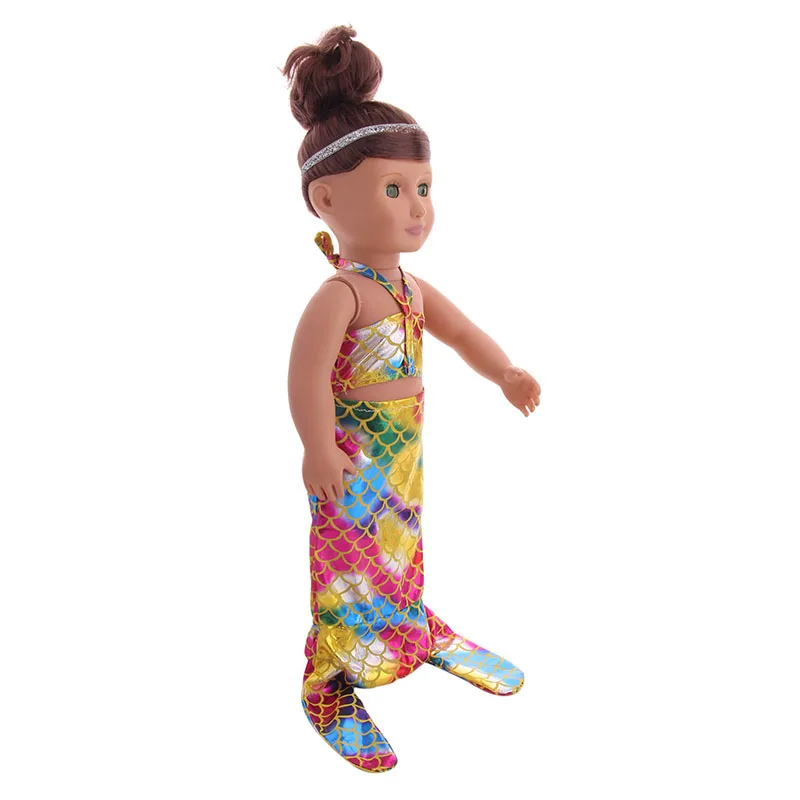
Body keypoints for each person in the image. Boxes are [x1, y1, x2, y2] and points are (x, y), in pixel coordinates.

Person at [283, 24, 542, 773]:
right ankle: (335, 666)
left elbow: (460, 333)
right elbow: (304, 377)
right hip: (350, 456)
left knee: (402, 544)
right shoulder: (340, 295)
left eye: (423, 189)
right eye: (394, 190)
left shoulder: (409, 287)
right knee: (347, 554)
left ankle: (405, 627)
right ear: (326, 198)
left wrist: (505, 372)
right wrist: (317, 446)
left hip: (405, 451)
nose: (416, 207)